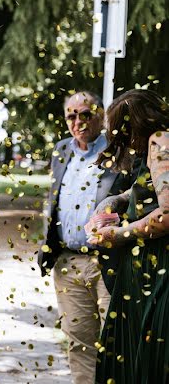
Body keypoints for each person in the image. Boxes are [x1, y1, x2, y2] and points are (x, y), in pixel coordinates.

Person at [36, 91, 121, 384]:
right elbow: (54, 199)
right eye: (71, 115)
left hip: (107, 261)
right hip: (67, 262)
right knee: (78, 343)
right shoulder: (61, 150)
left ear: (101, 114)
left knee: (114, 341)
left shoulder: (119, 148)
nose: (78, 121)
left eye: (85, 113)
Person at [86, 89, 169, 384]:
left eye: (125, 130)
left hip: (156, 270)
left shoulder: (160, 142)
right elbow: (148, 190)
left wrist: (117, 234)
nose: (126, 142)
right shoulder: (159, 143)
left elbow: (167, 214)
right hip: (145, 268)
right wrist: (116, 201)